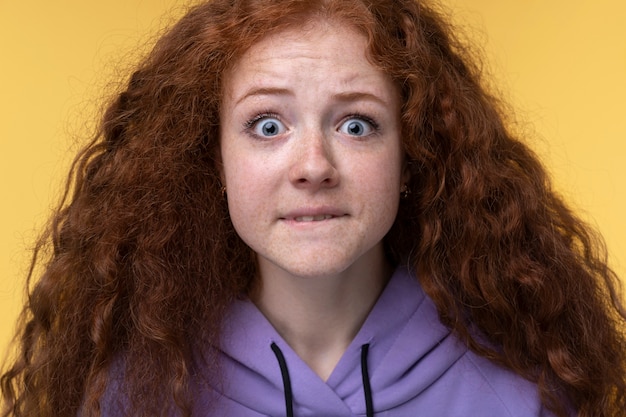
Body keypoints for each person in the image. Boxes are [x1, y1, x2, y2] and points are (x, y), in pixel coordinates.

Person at [2, 0, 625, 416]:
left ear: (412, 154)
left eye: (357, 124)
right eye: (267, 124)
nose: (312, 165)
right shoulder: (131, 395)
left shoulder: (525, 393)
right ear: (212, 160)